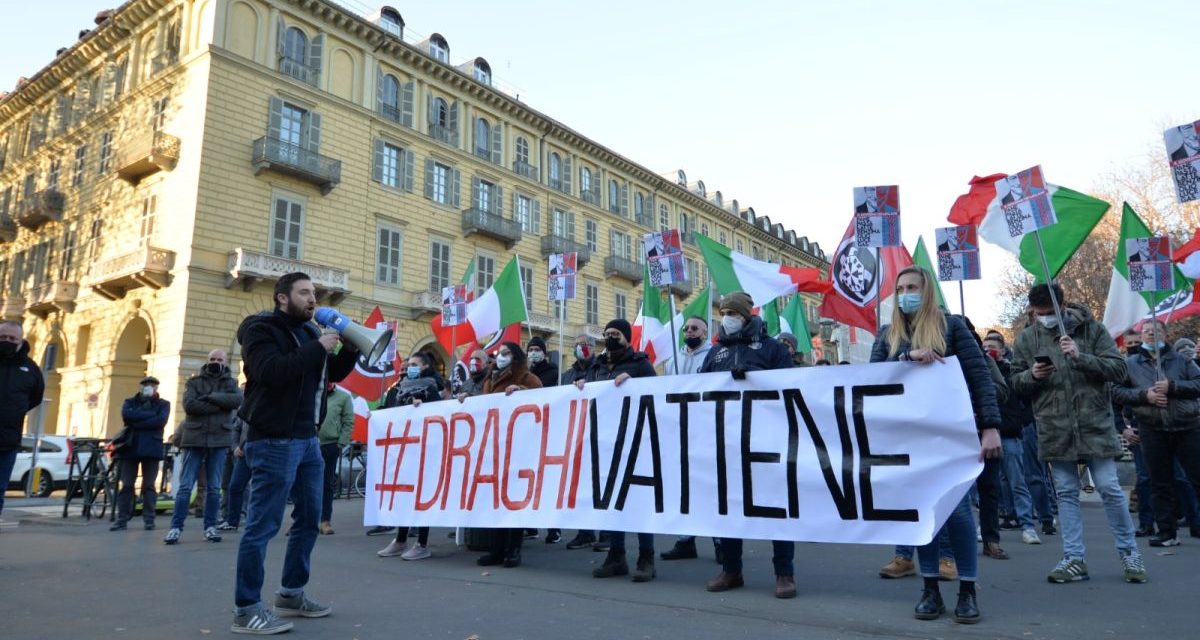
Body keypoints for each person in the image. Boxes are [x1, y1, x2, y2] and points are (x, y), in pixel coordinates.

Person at [870, 266, 1002, 623]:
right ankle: (930, 588)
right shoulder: (887, 335)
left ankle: (967, 590)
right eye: (900, 289)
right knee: (924, 512)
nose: (905, 294)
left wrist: (990, 427)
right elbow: (871, 380)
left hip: (952, 434)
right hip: (908, 437)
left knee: (957, 512)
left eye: (912, 287)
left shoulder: (952, 327)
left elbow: (980, 378)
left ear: (927, 291)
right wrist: (906, 358)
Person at [231, 272, 358, 635]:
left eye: (313, 293)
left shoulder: (309, 332)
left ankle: (291, 593)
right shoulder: (260, 330)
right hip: (273, 440)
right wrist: (318, 347)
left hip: (307, 440)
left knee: (309, 518)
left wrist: (349, 349)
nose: (312, 299)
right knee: (263, 525)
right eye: (304, 293)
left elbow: (330, 374)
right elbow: (271, 371)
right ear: (282, 298)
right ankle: (246, 609)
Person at [1010, 283, 1146, 585]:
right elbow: (1015, 383)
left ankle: (1129, 553)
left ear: (1063, 305)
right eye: (1039, 313)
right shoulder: (1027, 338)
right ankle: (1074, 558)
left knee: (1109, 488)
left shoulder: (1092, 330)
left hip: (1094, 424)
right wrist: (1032, 375)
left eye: (1050, 312)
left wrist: (1081, 356)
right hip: (1054, 426)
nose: (1044, 317)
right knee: (1066, 493)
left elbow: (1119, 370)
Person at [699, 292, 799, 599]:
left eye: (732, 313)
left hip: (766, 440)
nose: (726, 317)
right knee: (729, 506)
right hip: (726, 441)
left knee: (776, 507)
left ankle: (784, 573)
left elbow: (791, 387)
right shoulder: (715, 353)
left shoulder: (772, 348)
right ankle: (731, 570)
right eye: (723, 312)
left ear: (746, 316)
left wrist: (755, 379)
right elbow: (700, 390)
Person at [578, 319, 658, 581]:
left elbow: (656, 393)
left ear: (626, 337)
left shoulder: (640, 363)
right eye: (608, 333)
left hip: (636, 439)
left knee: (639, 499)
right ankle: (616, 555)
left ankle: (646, 556)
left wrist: (634, 382)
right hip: (604, 441)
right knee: (611, 498)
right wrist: (581, 386)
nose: (611, 337)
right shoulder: (597, 365)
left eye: (616, 333)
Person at [1112, 320, 1200, 548]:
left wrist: (1173, 387)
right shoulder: (1129, 364)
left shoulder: (1182, 361)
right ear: (1142, 336)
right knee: (1159, 483)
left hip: (1187, 427)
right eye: (1147, 331)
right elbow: (1116, 392)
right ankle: (1167, 532)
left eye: (1156, 330)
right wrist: (1145, 396)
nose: (1151, 334)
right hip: (1152, 429)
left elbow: (1198, 384)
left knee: (1195, 478)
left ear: (1165, 334)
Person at [165, 350, 243, 545]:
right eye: (213, 359)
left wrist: (208, 397)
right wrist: (221, 404)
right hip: (194, 439)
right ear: (207, 361)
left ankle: (210, 527)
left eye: (220, 359)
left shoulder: (231, 383)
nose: (216, 362)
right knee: (185, 487)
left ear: (225, 362)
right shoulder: (194, 382)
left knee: (214, 488)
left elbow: (237, 401)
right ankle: (175, 527)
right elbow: (190, 406)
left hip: (219, 440)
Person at [475, 342, 543, 568]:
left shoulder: (528, 379)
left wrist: (522, 392)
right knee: (496, 499)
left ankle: (514, 549)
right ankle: (497, 549)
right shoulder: (489, 380)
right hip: (494, 446)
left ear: (516, 357)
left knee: (514, 499)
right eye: (499, 353)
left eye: (506, 353)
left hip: (519, 448)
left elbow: (544, 402)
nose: (501, 357)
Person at [660, 316, 719, 562]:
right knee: (684, 487)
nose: (689, 331)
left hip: (707, 430)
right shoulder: (673, 360)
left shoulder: (715, 356)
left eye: (695, 328)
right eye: (686, 328)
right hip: (680, 430)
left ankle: (720, 541)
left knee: (712, 487)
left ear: (705, 332)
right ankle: (685, 540)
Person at [377, 352, 447, 558]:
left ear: (425, 366)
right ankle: (400, 540)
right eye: (409, 364)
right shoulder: (400, 387)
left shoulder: (432, 388)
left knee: (422, 496)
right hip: (405, 449)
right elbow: (392, 410)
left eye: (414, 364)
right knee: (403, 494)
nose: (409, 368)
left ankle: (422, 544)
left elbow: (439, 415)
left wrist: (422, 408)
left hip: (425, 450)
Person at [983, 335, 1041, 546]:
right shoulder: (980, 371)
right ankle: (998, 520)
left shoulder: (1010, 373)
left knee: (1017, 482)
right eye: (984, 347)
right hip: (986, 434)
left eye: (992, 347)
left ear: (1002, 350)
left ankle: (1028, 526)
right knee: (991, 485)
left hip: (1009, 434)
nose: (987, 350)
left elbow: (1025, 400)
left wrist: (1018, 422)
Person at [0, 320, 44, 527]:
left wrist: (14, 411)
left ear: (20, 340)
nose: (7, 341)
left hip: (8, 441)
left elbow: (36, 397)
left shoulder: (30, 368)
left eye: (12, 338)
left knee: (0, 487)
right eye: (2, 337)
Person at [111, 377, 170, 531]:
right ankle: (122, 519)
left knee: (149, 485)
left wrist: (137, 420)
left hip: (151, 448)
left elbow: (160, 421)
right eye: (145, 385)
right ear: (141, 387)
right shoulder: (130, 402)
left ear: (156, 388)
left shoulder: (164, 404)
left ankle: (149, 519)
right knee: (127, 485)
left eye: (152, 385)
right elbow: (126, 416)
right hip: (130, 447)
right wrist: (150, 415)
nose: (148, 387)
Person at [561, 334, 599, 550]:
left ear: (593, 347)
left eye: (584, 345)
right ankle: (585, 532)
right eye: (577, 345)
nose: (580, 348)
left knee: (600, 483)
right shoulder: (567, 375)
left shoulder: (600, 370)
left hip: (597, 432)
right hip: (575, 434)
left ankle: (606, 532)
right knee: (580, 484)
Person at [317, 384, 353, 535]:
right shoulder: (312, 392)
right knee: (304, 484)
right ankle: (299, 520)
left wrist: (341, 443)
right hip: (309, 443)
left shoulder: (343, 397)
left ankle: (325, 521)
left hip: (330, 445)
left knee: (327, 484)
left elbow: (348, 421)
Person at [218, 413, 250, 532]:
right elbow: (236, 429)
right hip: (243, 451)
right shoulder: (245, 407)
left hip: (263, 449)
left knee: (262, 488)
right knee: (235, 486)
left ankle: (245, 516)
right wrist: (236, 446)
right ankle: (232, 521)